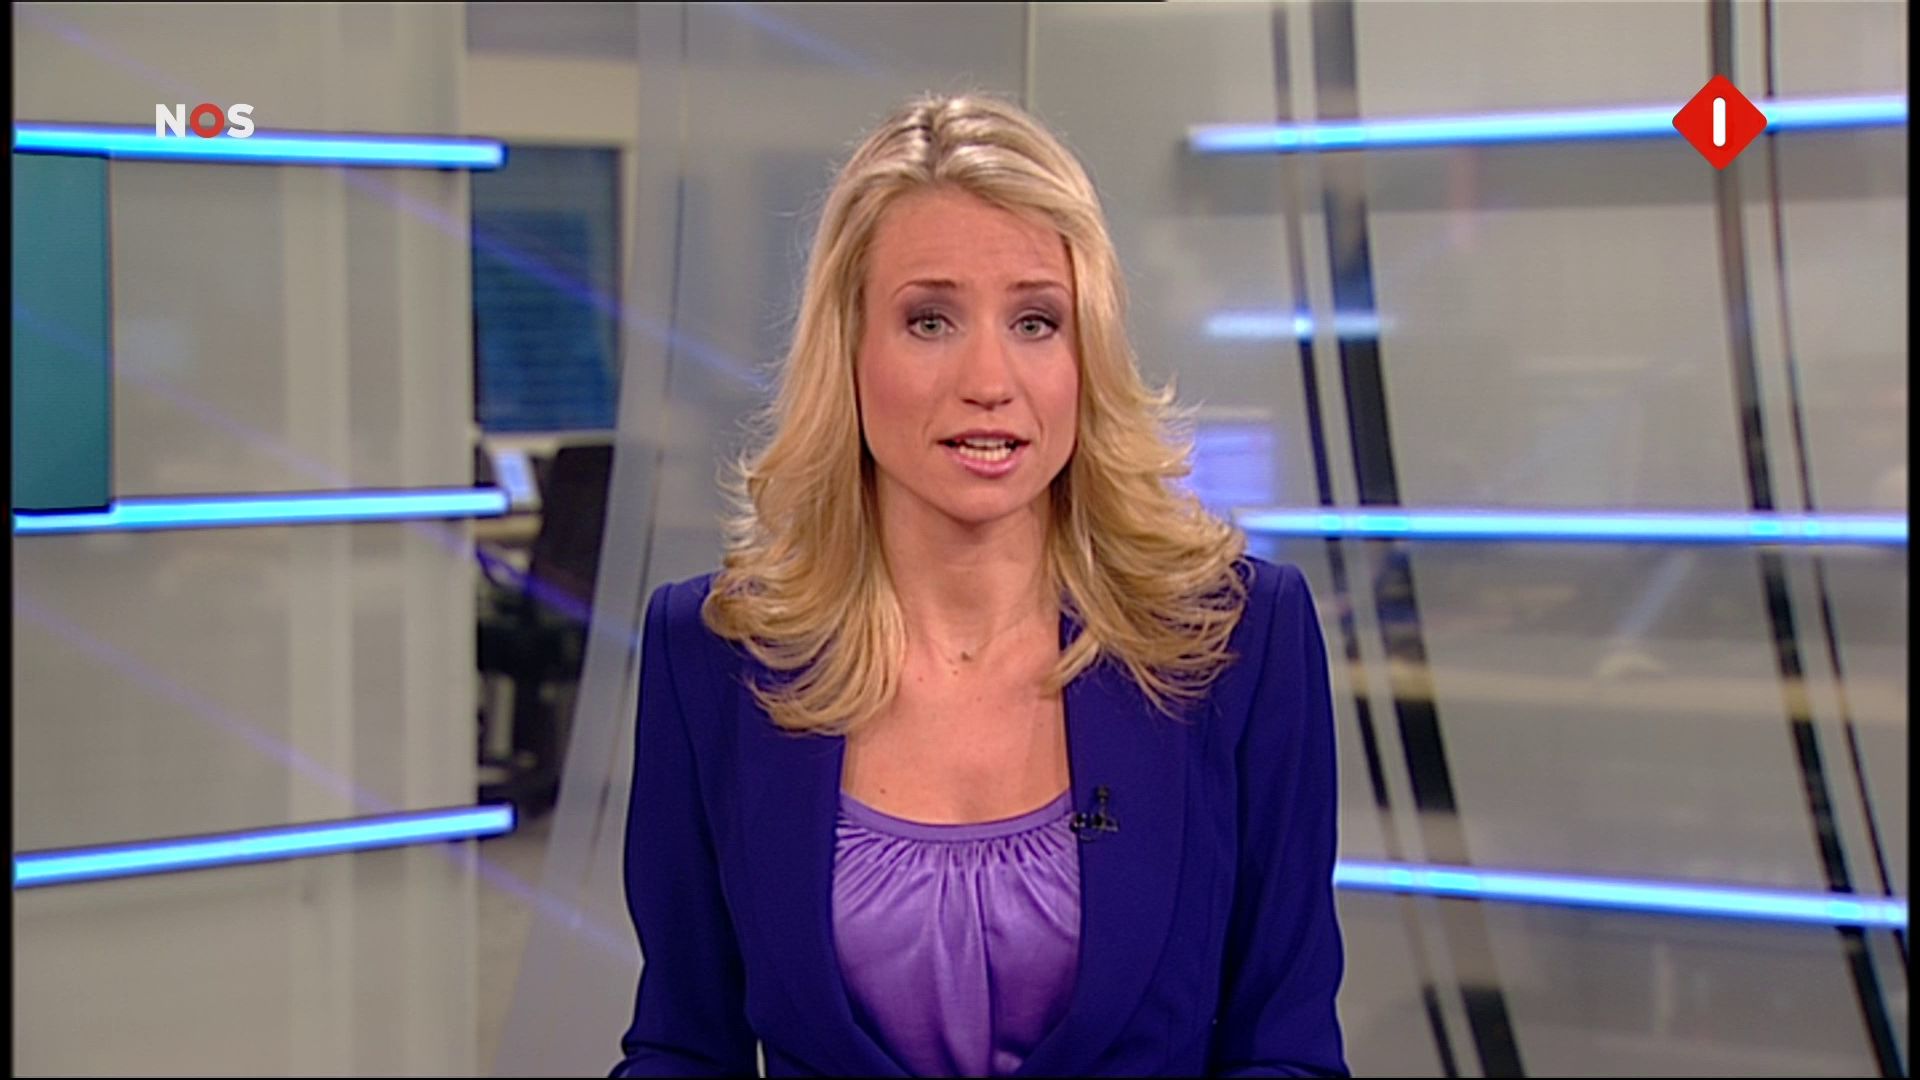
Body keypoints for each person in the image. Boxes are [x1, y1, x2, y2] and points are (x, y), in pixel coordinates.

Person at [610, 92, 1347, 1078]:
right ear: (849, 348)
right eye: (930, 320)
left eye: (1037, 321)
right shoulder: (711, 655)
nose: (990, 379)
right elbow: (683, 1045)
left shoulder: (1241, 643)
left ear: (1088, 354)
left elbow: (1287, 1051)